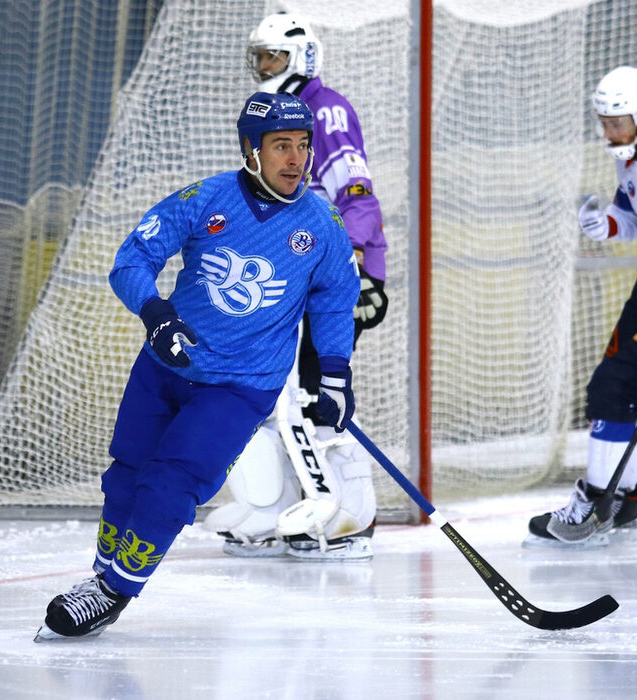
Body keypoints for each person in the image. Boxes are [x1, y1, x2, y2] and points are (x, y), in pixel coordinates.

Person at [34, 91, 360, 640]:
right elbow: (132, 260)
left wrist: (334, 373)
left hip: (240, 387)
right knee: (126, 479)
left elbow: (333, 300)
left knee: (170, 482)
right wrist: (157, 315)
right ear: (251, 151)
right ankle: (103, 577)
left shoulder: (322, 224)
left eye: (303, 146)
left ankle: (112, 592)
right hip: (165, 365)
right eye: (282, 146)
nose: (297, 159)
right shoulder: (205, 197)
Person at [202, 12, 388, 560]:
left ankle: (350, 513)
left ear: (302, 57)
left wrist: (356, 262)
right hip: (292, 277)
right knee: (271, 390)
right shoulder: (276, 114)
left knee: (316, 391)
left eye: (274, 57)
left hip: (337, 275)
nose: (263, 68)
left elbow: (354, 189)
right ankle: (279, 501)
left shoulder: (324, 109)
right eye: (258, 58)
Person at [528, 65, 637, 544]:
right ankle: (619, 503)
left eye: (617, 123)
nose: (609, 133)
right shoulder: (630, 158)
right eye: (604, 122)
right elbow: (636, 220)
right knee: (612, 392)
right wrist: (605, 225)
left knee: (614, 388)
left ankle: (598, 502)